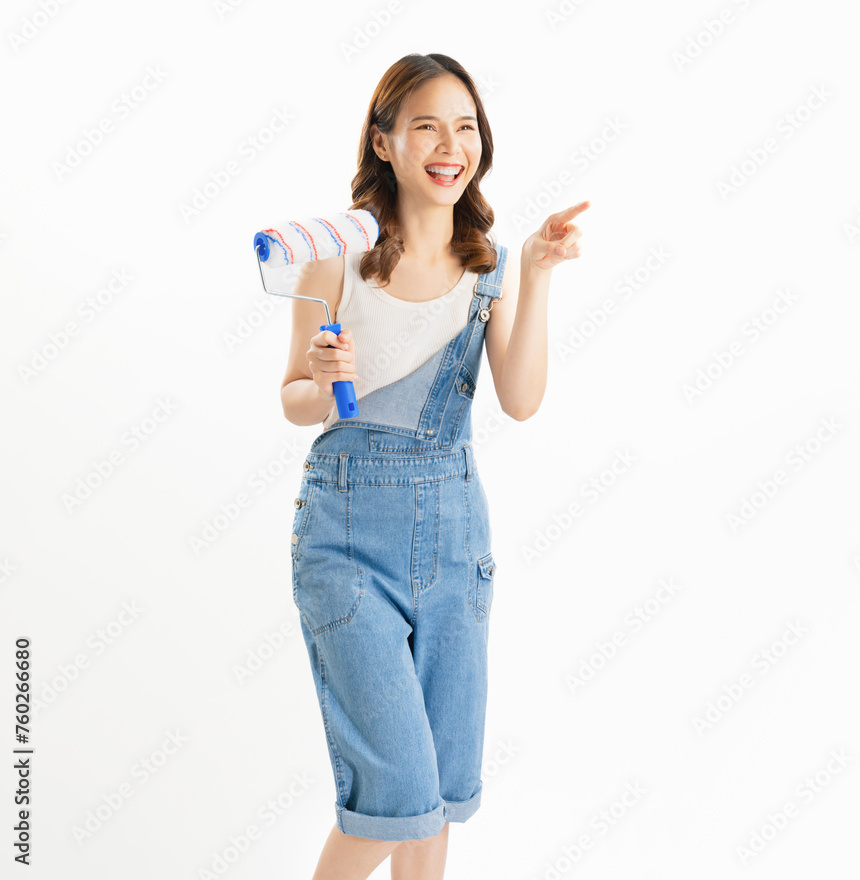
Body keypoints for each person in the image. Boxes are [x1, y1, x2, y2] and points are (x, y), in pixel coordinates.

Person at [279, 52, 588, 880]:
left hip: (457, 543)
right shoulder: (336, 257)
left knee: (440, 793)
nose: (452, 147)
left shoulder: (487, 266)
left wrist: (536, 272)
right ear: (383, 142)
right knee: (397, 793)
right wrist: (325, 380)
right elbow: (295, 399)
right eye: (427, 127)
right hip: (347, 544)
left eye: (465, 127)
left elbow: (520, 400)